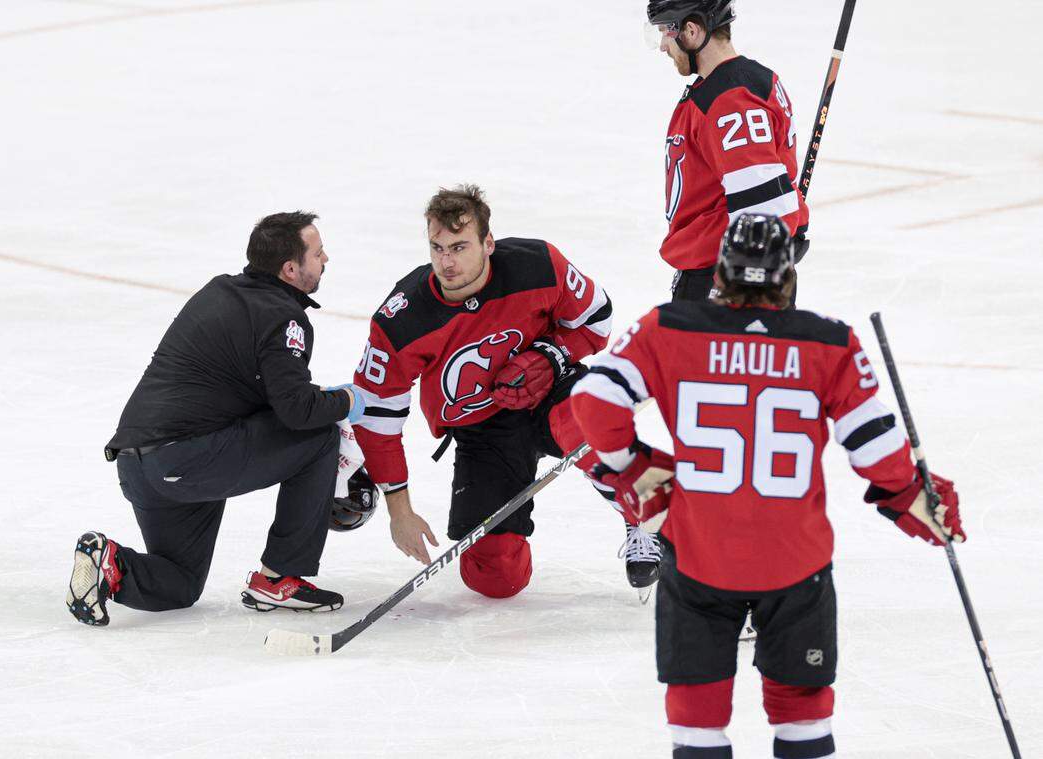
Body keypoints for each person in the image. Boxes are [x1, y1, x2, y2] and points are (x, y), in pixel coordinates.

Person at [570, 213, 966, 758]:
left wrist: (638, 470)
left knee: (698, 720)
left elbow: (592, 400)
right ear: (787, 276)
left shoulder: (670, 327)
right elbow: (875, 448)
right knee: (802, 716)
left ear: (720, 273)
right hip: (793, 562)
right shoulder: (830, 342)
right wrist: (911, 496)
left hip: (698, 554)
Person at [350, 184, 663, 600]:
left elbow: (596, 318)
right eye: (438, 248)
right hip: (483, 432)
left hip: (551, 392)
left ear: (488, 243)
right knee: (495, 578)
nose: (447, 262)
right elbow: (377, 416)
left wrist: (552, 354)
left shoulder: (538, 266)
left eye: (460, 247)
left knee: (587, 421)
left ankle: (648, 510)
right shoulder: (403, 319)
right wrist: (399, 510)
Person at [66, 211, 366, 627]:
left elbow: (267, 394)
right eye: (318, 253)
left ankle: (111, 564)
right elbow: (297, 412)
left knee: (181, 584)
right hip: (187, 459)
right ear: (291, 268)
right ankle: (280, 578)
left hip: (139, 464)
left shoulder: (220, 290)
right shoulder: (283, 317)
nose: (326, 259)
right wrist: (347, 400)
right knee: (319, 436)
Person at [645, 0, 810, 302]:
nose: (663, 47)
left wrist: (740, 287)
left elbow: (767, 210)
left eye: (666, 34)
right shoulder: (749, 80)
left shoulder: (730, 101)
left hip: (726, 283)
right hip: (724, 272)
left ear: (691, 31)